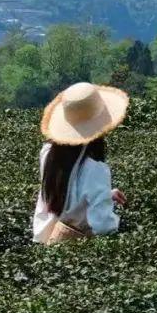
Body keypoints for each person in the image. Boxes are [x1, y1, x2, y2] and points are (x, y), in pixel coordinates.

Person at [32, 80, 129, 244]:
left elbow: (64, 195)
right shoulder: (95, 168)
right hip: (73, 247)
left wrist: (106, 194)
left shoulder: (48, 152)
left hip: (46, 240)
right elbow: (103, 226)